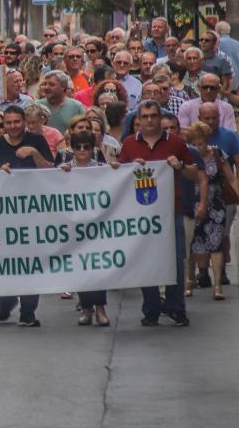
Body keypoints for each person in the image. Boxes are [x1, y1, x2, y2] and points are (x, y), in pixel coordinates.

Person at [118, 99, 198, 327]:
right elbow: (118, 175)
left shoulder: (176, 143)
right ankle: (151, 308)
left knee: (176, 259)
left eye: (153, 116)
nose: (150, 120)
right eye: (145, 117)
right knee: (146, 261)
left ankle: (176, 307)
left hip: (172, 210)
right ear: (139, 120)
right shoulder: (130, 144)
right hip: (142, 213)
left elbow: (194, 173)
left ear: (160, 118)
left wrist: (180, 166)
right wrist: (129, 168)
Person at [0, 106, 54, 327]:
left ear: (24, 121)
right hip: (4, 214)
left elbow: (50, 169)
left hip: (33, 213)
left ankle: (28, 312)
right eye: (9, 122)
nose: (13, 126)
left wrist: (34, 153)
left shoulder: (37, 140)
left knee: (33, 263)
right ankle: (7, 300)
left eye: (17, 122)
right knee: (8, 261)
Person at [59, 130, 118, 326]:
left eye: (86, 147)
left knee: (98, 267)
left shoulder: (101, 168)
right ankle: (86, 308)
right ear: (72, 149)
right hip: (74, 228)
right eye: (78, 147)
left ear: (92, 148)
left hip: (98, 227)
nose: (82, 151)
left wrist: (116, 170)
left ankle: (100, 307)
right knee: (81, 268)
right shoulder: (64, 169)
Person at [183, 122, 237, 301]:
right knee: (191, 244)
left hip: (216, 205)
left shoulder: (217, 153)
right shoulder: (187, 155)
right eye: (195, 143)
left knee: (216, 244)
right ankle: (189, 281)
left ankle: (217, 286)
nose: (198, 147)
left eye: (201, 143)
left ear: (207, 141)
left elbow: (230, 177)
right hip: (192, 203)